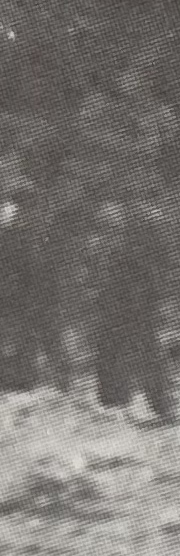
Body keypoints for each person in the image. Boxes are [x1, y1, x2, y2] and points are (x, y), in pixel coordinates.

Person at [80, 195, 176, 424]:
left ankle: (160, 405)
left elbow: (152, 280)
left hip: (136, 308)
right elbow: (94, 279)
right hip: (114, 309)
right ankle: (115, 404)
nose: (109, 231)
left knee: (146, 352)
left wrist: (149, 303)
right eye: (106, 226)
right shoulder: (103, 247)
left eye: (113, 227)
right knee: (112, 353)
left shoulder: (136, 250)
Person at [0, 157, 70, 394]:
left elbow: (38, 263)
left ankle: (51, 379)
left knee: (34, 334)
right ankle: (25, 378)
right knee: (23, 335)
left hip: (31, 291)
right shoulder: (15, 229)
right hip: (19, 290)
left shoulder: (32, 230)